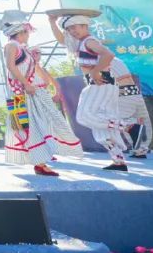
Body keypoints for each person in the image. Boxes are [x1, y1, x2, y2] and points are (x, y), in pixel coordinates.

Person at [48, 10, 130, 171]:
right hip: (101, 85)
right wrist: (52, 22)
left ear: (85, 25)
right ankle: (118, 161)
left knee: (84, 116)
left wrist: (95, 71)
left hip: (100, 84)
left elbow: (108, 54)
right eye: (69, 29)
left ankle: (127, 126)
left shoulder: (89, 41)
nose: (73, 31)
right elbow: (62, 40)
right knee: (101, 130)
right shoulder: (81, 43)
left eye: (75, 27)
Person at [1, 18, 61, 176]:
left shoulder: (22, 48)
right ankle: (39, 163)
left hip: (25, 92)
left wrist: (40, 82)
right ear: (20, 33)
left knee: (34, 124)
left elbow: (31, 68)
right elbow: (10, 66)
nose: (28, 35)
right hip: (19, 93)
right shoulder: (11, 45)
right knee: (25, 125)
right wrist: (26, 84)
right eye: (27, 33)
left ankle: (40, 161)